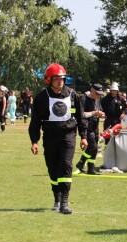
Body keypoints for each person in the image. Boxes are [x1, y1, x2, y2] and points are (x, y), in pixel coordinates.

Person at [29, 63, 88, 214]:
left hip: (68, 136)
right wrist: (34, 141)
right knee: (53, 168)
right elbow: (35, 121)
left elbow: (81, 118)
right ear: (48, 80)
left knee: (66, 165)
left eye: (62, 78)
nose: (60, 81)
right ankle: (57, 197)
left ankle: (65, 202)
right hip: (50, 137)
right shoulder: (41, 97)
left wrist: (84, 136)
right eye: (56, 79)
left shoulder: (72, 94)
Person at [75, 84, 105, 175]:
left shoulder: (97, 100)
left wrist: (102, 115)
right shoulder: (83, 99)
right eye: (97, 93)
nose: (98, 95)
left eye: (100, 94)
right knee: (92, 147)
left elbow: (100, 111)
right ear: (92, 90)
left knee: (95, 149)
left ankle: (91, 169)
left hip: (95, 127)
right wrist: (94, 113)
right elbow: (81, 114)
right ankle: (81, 163)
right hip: (86, 126)